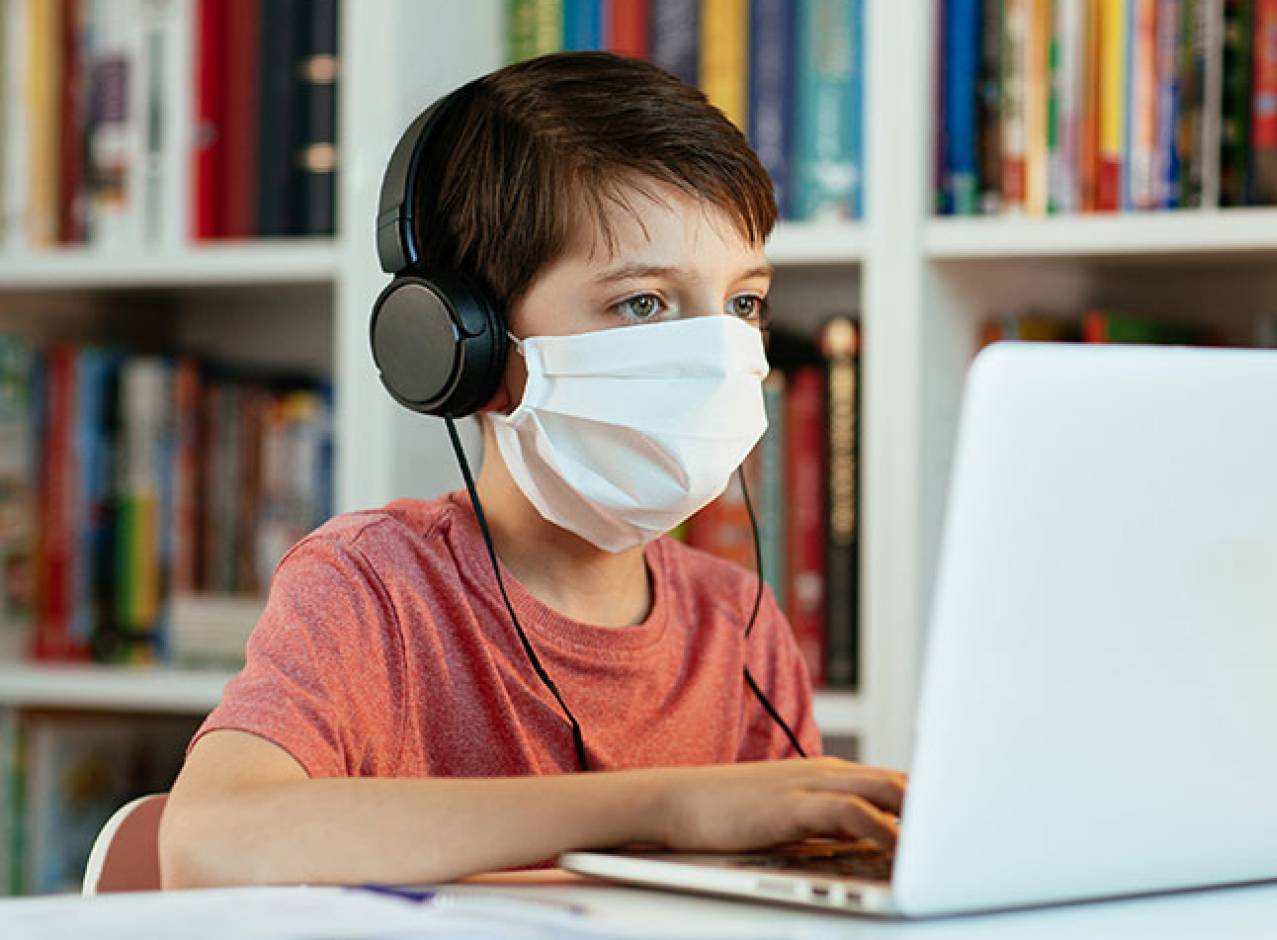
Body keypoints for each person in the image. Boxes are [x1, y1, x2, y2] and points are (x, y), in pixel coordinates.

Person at [159, 52, 903, 889]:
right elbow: (207, 845)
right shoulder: (374, 588)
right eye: (643, 303)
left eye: (743, 304)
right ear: (460, 343)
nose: (716, 355)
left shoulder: (736, 622)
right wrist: (660, 807)